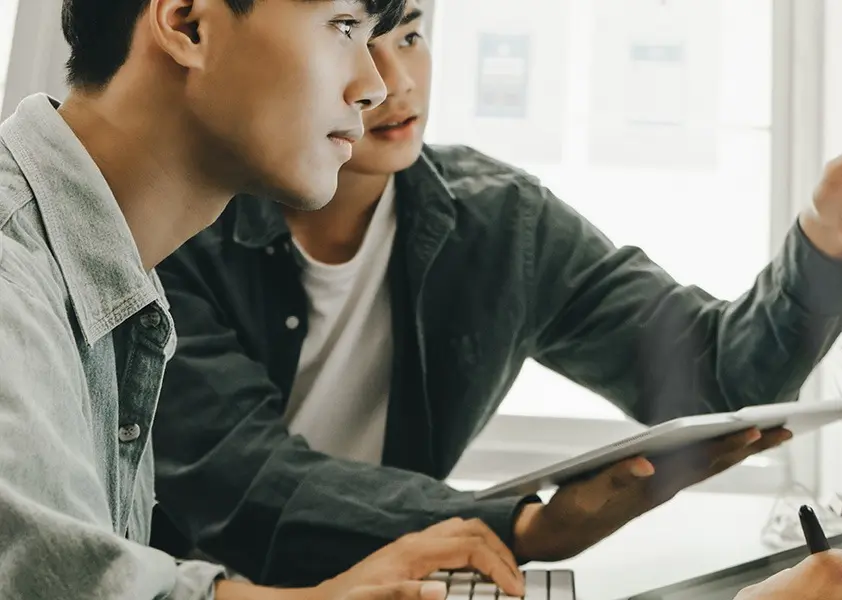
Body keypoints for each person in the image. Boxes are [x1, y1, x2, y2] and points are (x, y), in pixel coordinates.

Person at [151, 0, 842, 590]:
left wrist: (829, 240)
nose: (394, 81)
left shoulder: (499, 224)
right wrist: (521, 528)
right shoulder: (186, 220)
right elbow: (242, 485)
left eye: (410, 34)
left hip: (397, 583)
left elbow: (711, 380)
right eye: (354, 35)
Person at [0, 0, 539, 598]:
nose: (375, 86)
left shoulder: (110, 272)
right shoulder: (11, 281)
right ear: (187, 25)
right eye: (343, 28)